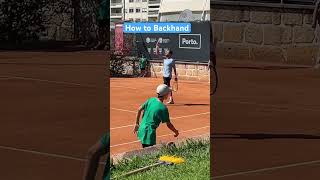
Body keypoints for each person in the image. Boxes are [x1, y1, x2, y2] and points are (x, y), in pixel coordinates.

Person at [133, 84, 179, 148]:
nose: (169, 94)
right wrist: (176, 131)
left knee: (145, 150)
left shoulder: (151, 100)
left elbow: (139, 109)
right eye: (168, 93)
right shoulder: (163, 108)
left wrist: (136, 124)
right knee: (149, 153)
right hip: (149, 133)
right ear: (165, 95)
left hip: (141, 128)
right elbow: (168, 124)